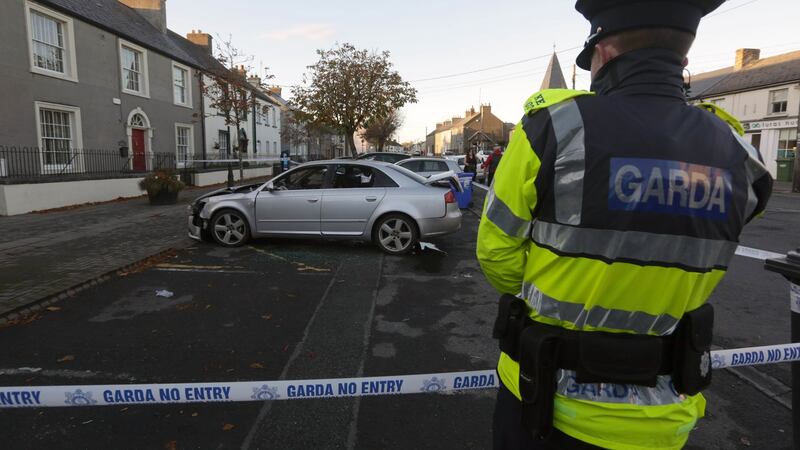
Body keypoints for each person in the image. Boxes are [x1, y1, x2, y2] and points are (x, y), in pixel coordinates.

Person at [477, 1, 773, 449]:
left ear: (606, 53)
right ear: (684, 59)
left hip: (547, 402)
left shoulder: (553, 130)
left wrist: (549, 289)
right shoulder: (741, 156)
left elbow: (496, 253)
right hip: (664, 415)